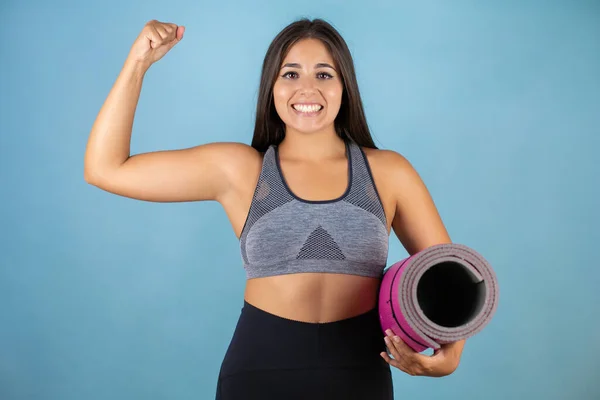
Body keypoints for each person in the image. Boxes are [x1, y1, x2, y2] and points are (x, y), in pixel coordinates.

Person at [84, 17, 465, 400]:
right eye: (290, 74)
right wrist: (137, 63)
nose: (307, 89)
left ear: (344, 86)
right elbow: (105, 168)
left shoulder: (389, 172)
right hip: (260, 369)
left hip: (359, 371)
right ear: (272, 87)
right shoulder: (239, 169)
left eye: (324, 74)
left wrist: (449, 357)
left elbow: (450, 275)